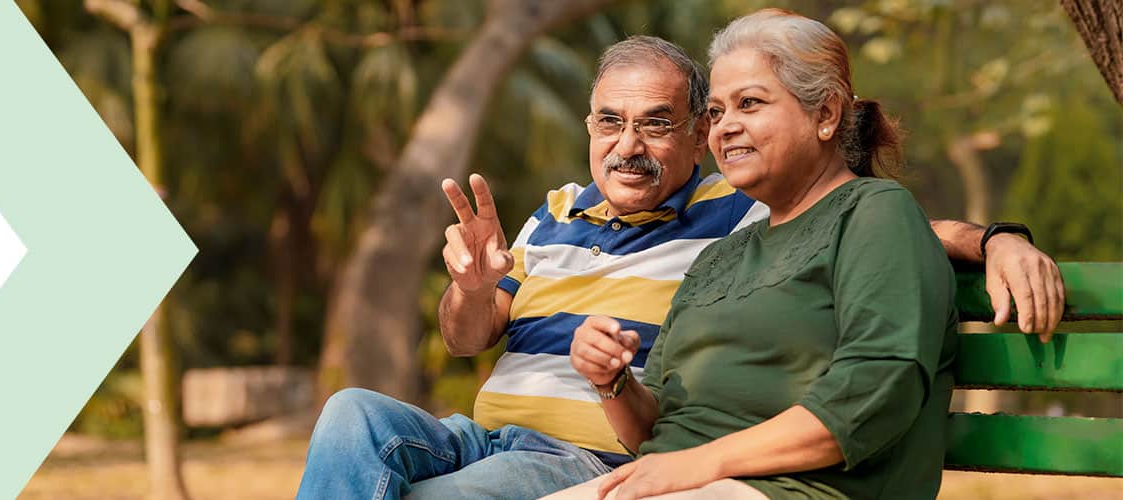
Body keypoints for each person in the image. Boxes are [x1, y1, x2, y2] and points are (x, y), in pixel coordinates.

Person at [295, 32, 1065, 500]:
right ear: (589, 126)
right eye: (611, 122)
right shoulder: (556, 209)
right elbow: (467, 339)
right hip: (482, 435)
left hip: (582, 457)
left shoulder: (739, 212)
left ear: (699, 135)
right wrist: (470, 289)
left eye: (656, 124)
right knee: (352, 415)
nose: (628, 145)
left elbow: (876, 226)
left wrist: (997, 238)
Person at [550, 9, 961, 499]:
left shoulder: (875, 213)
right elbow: (655, 429)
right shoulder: (720, 257)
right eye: (718, 112)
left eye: (750, 103)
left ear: (825, 115)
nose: (725, 128)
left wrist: (695, 466)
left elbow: (873, 393)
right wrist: (612, 381)